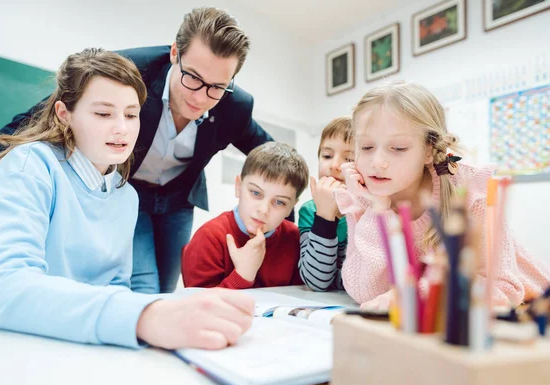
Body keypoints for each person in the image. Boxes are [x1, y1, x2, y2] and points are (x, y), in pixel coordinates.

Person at [0, 6, 273, 294]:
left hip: (177, 199)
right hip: (130, 190)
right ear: (176, 53)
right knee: (144, 286)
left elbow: (270, 154)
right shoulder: (129, 71)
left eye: (216, 87)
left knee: (167, 286)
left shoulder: (235, 105)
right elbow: (24, 124)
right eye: (192, 78)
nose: (201, 97)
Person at [0, 48, 254, 350]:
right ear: (63, 114)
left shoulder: (126, 197)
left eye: (131, 114)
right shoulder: (29, 165)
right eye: (103, 113)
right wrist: (144, 317)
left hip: (65, 343)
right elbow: (3, 290)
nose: (121, 128)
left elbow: (114, 286)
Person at [335, 80, 550, 310]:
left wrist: (413, 295)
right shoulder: (362, 194)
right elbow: (367, 293)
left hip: (530, 306)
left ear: (429, 150)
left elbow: (502, 287)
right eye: (366, 147)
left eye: (398, 148)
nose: (377, 163)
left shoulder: (470, 189)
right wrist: (378, 207)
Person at [181, 142, 309, 289]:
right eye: (256, 193)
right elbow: (198, 307)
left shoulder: (295, 238)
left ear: (291, 207)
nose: (263, 210)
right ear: (239, 187)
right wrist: (243, 274)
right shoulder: (209, 238)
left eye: (279, 202)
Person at [298, 116, 353, 291]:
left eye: (349, 159)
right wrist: (325, 216)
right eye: (327, 155)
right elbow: (316, 281)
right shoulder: (309, 211)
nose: (335, 165)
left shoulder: (370, 210)